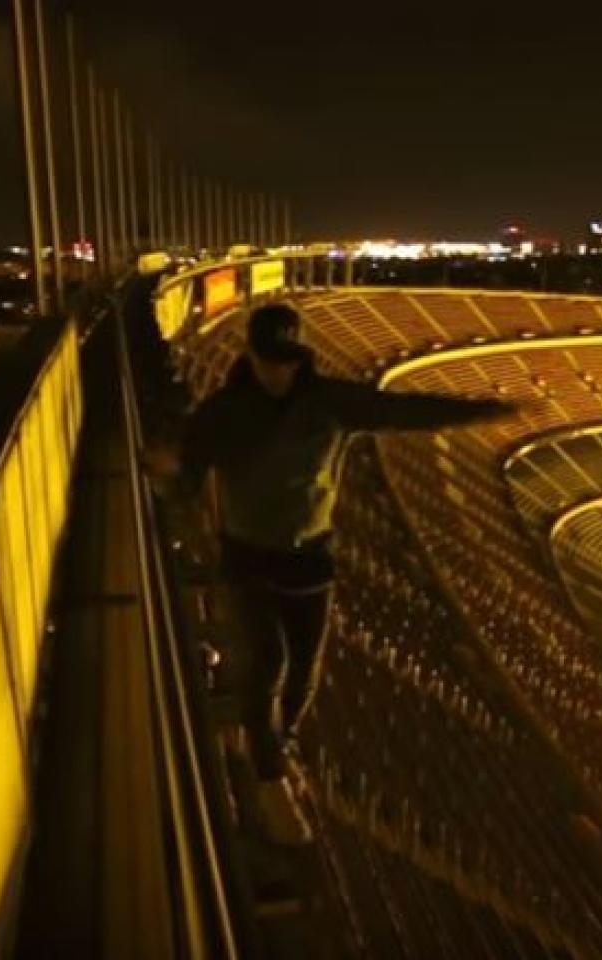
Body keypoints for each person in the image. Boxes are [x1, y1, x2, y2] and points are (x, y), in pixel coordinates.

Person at [149, 303, 514, 843]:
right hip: (248, 556)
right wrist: (166, 480)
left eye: (287, 361)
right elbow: (190, 477)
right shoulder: (221, 413)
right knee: (267, 662)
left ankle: (280, 741)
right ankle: (270, 778)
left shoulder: (329, 403)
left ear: (301, 358)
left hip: (309, 557)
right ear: (251, 356)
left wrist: (483, 412)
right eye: (270, 361)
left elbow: (403, 410)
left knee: (304, 670)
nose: (279, 372)